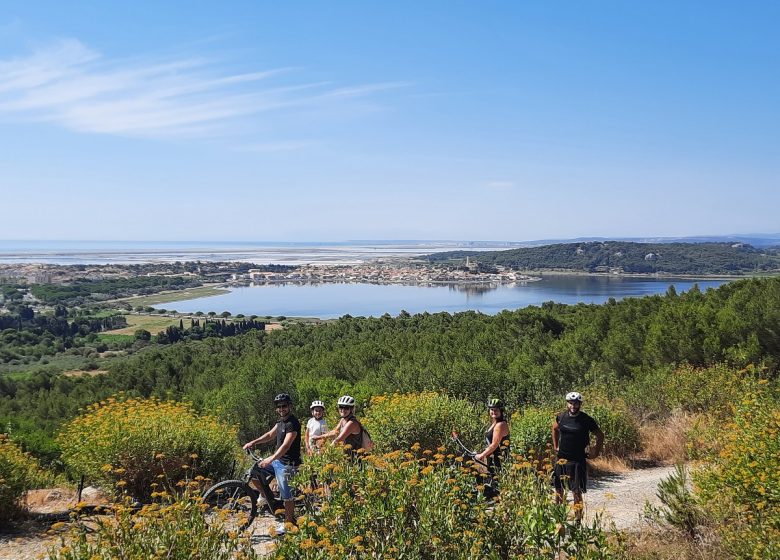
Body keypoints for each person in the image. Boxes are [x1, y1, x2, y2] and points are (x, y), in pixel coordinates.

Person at [242, 393, 301, 533]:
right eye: (279, 406)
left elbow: (286, 446)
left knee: (287, 496)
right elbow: (269, 435)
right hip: (278, 461)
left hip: (288, 464)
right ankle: (265, 496)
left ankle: (288, 524)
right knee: (255, 472)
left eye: (284, 406)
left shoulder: (293, 423)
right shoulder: (280, 422)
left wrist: (271, 458)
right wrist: (253, 442)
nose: (282, 409)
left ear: (289, 406)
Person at [552, 391, 604, 522]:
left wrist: (596, 451)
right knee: (558, 489)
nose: (573, 406)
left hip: (577, 460)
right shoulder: (561, 417)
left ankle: (578, 521)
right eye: (570, 403)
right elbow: (554, 429)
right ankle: (558, 517)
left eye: (576, 403)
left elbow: (599, 435)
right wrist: (555, 446)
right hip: (561, 459)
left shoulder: (586, 420)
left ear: (580, 404)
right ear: (567, 403)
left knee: (576, 491)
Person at [475, 397, 510, 472]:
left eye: (496, 410)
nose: (493, 412)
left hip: (499, 461)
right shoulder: (495, 423)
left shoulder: (500, 425)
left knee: (496, 482)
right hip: (492, 459)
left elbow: (494, 444)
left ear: (501, 411)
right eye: (492, 409)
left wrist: (481, 455)